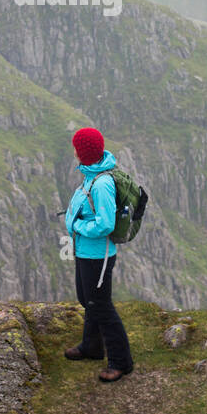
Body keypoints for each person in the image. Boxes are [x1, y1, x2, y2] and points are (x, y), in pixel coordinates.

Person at [63, 126, 134, 382]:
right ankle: (91, 346)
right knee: (87, 299)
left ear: (84, 152)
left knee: (101, 307)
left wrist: (78, 226)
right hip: (85, 252)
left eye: (76, 148)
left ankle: (121, 361)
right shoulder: (91, 175)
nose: (73, 151)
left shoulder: (102, 184)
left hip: (97, 257)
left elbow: (105, 224)